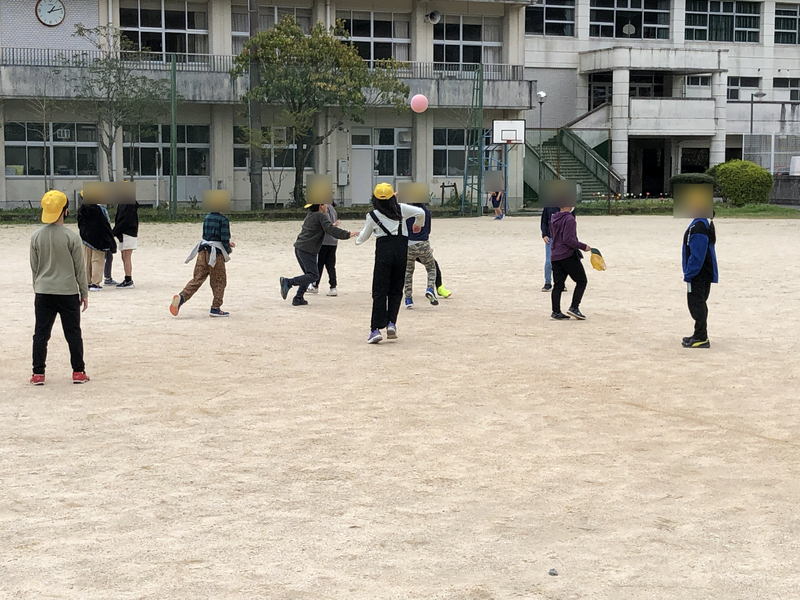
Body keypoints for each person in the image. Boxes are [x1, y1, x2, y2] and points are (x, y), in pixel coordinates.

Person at [29, 190, 90, 385]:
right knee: (73, 333)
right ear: (65, 211)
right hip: (68, 292)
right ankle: (78, 371)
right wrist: (84, 292)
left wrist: (38, 286)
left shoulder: (36, 236)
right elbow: (79, 268)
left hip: (43, 291)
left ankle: (38, 373)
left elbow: (34, 267)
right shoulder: (72, 237)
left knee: (41, 333)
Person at [356, 183, 426, 344]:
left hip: (384, 253)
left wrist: (357, 240)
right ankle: (391, 323)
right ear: (392, 197)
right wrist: (418, 224)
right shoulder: (402, 209)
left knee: (379, 291)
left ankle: (375, 329)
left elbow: (364, 236)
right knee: (395, 289)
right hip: (401, 252)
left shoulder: (373, 215)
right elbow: (421, 212)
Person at [280, 198, 356, 306]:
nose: (327, 206)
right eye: (326, 204)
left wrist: (332, 226)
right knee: (313, 275)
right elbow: (331, 230)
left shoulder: (311, 215)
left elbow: (325, 227)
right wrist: (348, 234)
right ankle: (288, 282)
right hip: (307, 250)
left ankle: (298, 298)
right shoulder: (321, 216)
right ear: (321, 205)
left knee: (308, 275)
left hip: (299, 248)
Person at [170, 208, 236, 318]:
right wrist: (228, 249)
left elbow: (210, 236)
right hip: (215, 254)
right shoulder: (223, 220)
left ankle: (181, 298)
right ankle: (215, 307)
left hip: (202, 251)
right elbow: (224, 238)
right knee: (219, 281)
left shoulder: (207, 217)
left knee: (197, 279)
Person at [549, 205, 592, 321]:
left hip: (555, 254)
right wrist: (583, 246)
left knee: (558, 285)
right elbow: (568, 239)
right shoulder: (569, 219)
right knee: (582, 281)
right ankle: (574, 307)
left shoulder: (554, 217)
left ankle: (556, 311)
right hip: (567, 255)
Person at [682, 212, 718, 348]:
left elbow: (698, 254)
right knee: (699, 303)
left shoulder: (699, 226)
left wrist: (689, 273)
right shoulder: (700, 224)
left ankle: (701, 336)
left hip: (698, 273)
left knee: (696, 304)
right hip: (701, 272)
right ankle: (698, 332)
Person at [77, 192, 117, 291]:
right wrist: (110, 240)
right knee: (97, 261)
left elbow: (80, 224)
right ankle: (95, 283)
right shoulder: (97, 210)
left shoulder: (81, 210)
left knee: (87, 261)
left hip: (86, 239)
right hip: (98, 240)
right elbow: (104, 225)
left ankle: (87, 282)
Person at [404, 198, 439, 309]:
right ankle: (430, 289)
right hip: (423, 243)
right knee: (431, 268)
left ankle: (408, 299)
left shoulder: (406, 211)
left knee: (408, 272)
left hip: (408, 244)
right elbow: (428, 230)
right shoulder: (426, 212)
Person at [308, 201, 340, 297]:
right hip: (333, 241)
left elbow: (327, 225)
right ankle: (333, 287)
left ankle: (315, 285)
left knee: (319, 264)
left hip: (324, 240)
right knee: (330, 265)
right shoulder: (332, 208)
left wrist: (332, 225)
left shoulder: (324, 208)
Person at [112, 199, 139, 289]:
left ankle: (129, 280)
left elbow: (126, 220)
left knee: (127, 257)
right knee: (123, 256)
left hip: (128, 232)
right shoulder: (122, 203)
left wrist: (114, 231)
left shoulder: (129, 204)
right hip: (123, 233)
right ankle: (127, 278)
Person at [100, 203, 118, 286]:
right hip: (104, 237)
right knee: (108, 257)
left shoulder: (101, 208)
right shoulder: (101, 209)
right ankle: (107, 277)